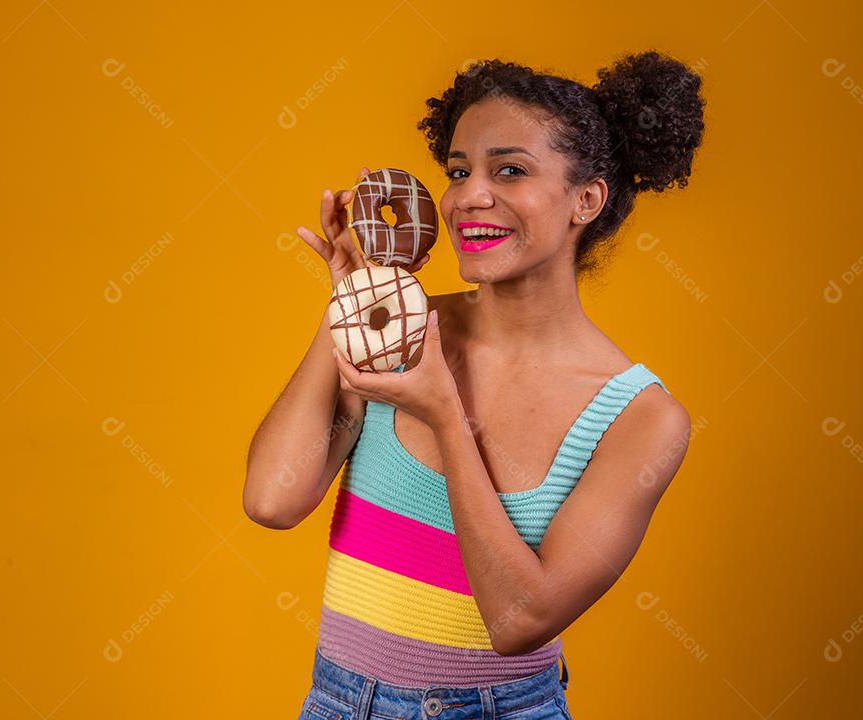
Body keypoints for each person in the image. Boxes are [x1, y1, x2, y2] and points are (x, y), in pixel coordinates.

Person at [245, 50, 705, 720]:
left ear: (586, 199)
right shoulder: (401, 331)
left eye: (509, 170)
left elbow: (521, 620)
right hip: (339, 703)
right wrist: (354, 301)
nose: (468, 197)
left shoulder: (641, 419)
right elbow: (272, 500)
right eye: (459, 172)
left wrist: (445, 417)